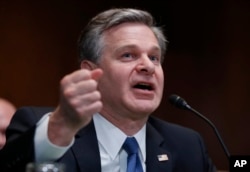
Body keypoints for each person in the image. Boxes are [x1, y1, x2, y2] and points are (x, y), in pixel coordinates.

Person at [0, 8, 217, 172]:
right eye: (128, 55)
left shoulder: (187, 145)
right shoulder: (45, 126)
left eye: (154, 57)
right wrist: (61, 126)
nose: (148, 66)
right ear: (91, 72)